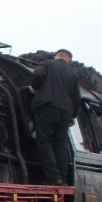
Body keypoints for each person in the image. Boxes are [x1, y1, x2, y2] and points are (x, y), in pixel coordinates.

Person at [30, 49, 81, 184]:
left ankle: (53, 177)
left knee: (45, 141)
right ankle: (62, 178)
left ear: (55, 56)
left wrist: (35, 88)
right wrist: (73, 115)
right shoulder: (73, 74)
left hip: (47, 106)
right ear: (69, 60)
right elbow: (77, 98)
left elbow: (38, 75)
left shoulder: (47, 63)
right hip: (65, 112)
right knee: (61, 144)